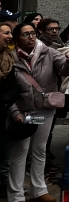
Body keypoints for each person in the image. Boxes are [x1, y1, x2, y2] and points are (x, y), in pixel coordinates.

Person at [7, 23, 69, 202]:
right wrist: (14, 111)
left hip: (44, 110)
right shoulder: (10, 57)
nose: (30, 37)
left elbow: (65, 69)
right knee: (20, 152)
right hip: (22, 112)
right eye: (25, 34)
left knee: (39, 150)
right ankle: (16, 195)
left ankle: (39, 190)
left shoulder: (48, 52)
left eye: (32, 33)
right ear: (17, 39)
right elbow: (5, 90)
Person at [0, 23, 19, 193]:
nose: (10, 36)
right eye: (6, 33)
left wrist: (4, 101)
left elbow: (13, 87)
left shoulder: (8, 58)